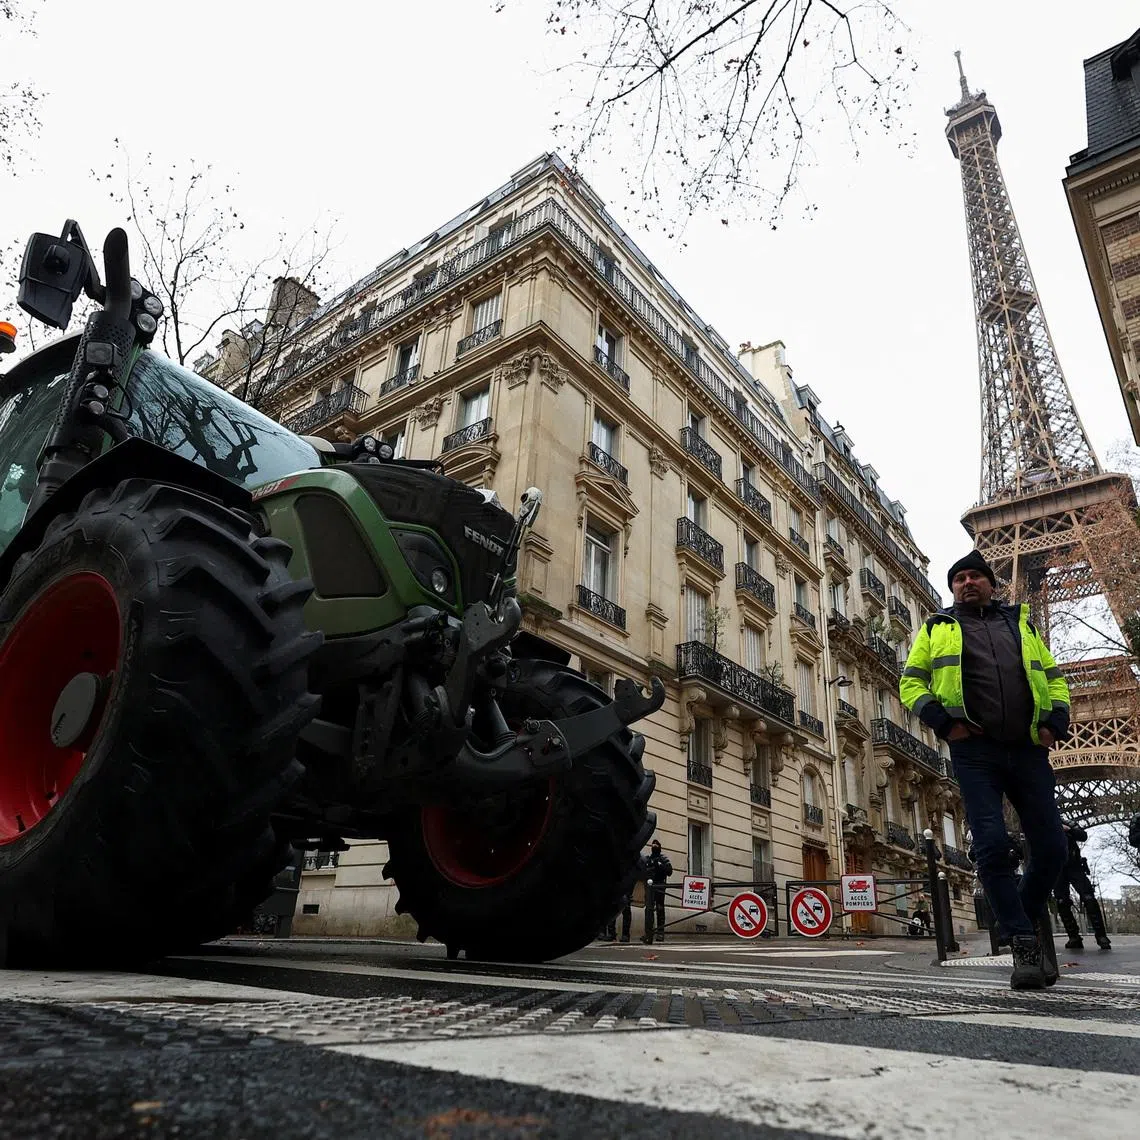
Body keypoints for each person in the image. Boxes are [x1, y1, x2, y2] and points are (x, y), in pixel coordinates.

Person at [900, 550, 1070, 991]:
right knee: (991, 845)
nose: (967, 582)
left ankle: (1023, 913)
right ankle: (1022, 941)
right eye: (959, 578)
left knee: (1053, 848)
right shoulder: (937, 628)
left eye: (976, 576)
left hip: (1028, 747)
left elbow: (1052, 677)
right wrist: (944, 723)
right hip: (975, 751)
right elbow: (910, 682)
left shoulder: (1021, 624)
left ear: (992, 583)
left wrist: (1056, 723)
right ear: (952, 587)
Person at [1052, 819, 1111, 951]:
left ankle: (1101, 936)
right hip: (1057, 867)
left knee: (1088, 897)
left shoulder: (1064, 822)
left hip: (1074, 865)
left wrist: (1068, 829)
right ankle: (1074, 936)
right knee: (1061, 901)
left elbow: (1082, 836)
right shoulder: (1042, 822)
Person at [639, 838, 672, 944]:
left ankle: (660, 932)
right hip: (650, 886)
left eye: (656, 846)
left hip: (660, 886)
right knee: (648, 909)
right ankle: (648, 933)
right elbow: (643, 871)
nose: (654, 847)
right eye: (653, 845)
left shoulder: (663, 858)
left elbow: (669, 871)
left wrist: (660, 865)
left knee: (660, 908)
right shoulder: (649, 859)